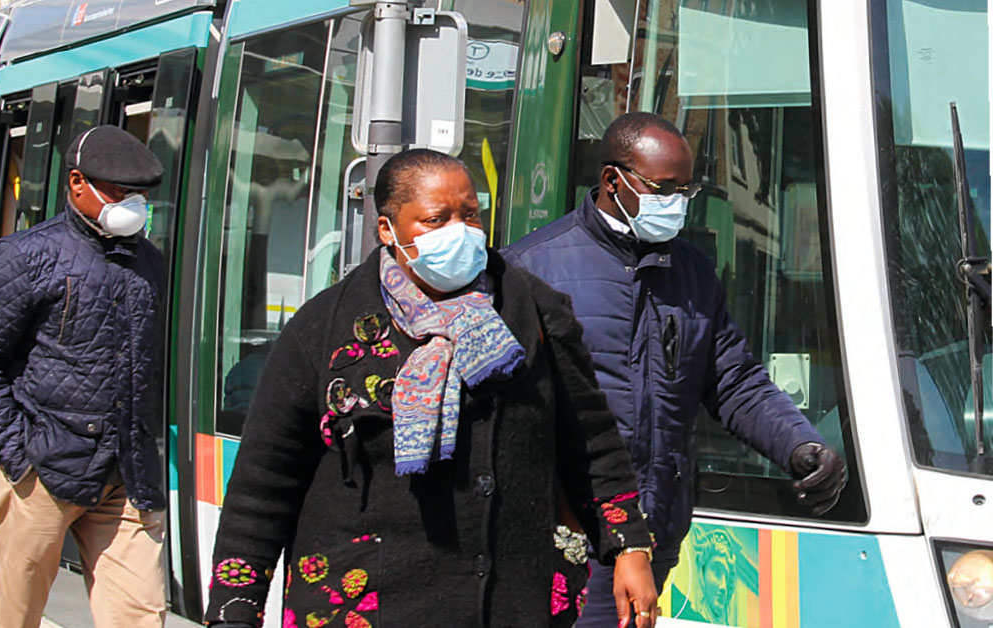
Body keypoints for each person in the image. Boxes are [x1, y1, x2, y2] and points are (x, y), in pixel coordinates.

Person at [204, 149, 658, 628]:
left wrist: (630, 546)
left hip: (507, 601)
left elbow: (589, 438)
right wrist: (236, 610)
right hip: (369, 602)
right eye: (436, 219)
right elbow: (265, 481)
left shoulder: (534, 309)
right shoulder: (325, 329)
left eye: (470, 215)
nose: (459, 231)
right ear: (388, 230)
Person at [502, 112, 847, 628]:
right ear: (613, 181)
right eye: (664, 188)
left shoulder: (692, 272)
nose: (678, 202)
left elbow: (734, 381)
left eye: (686, 190)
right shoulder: (532, 269)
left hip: (657, 530)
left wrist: (800, 445)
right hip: (569, 542)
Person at [0, 125, 168, 628]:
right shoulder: (27, 254)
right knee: (17, 613)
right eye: (120, 192)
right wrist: (18, 454)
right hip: (42, 471)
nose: (133, 205)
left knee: (140, 613)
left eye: (139, 195)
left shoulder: (149, 261)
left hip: (126, 474)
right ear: (77, 183)